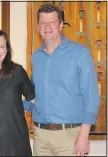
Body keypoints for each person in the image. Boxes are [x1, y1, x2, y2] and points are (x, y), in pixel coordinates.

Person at [23, 3, 100, 156]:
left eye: (52, 22)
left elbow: (91, 97)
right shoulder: (36, 57)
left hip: (70, 136)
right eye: (43, 22)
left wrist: (84, 135)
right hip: (40, 136)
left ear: (60, 25)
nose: (47, 27)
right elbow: (33, 96)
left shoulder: (80, 53)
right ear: (38, 27)